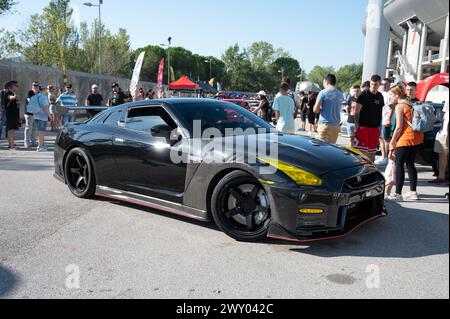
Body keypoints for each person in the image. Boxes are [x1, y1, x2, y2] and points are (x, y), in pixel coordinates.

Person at [387, 85, 424, 201]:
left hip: (406, 139)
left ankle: (398, 194)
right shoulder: (411, 103)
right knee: (410, 164)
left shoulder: (400, 106)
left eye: (391, 95)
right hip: (417, 137)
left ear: (397, 95)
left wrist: (392, 142)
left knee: (399, 165)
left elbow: (398, 128)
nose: (390, 98)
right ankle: (413, 192)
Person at [354, 75, 385, 162]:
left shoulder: (380, 96)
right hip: (363, 127)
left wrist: (379, 127)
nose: (373, 86)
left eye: (375, 84)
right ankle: (362, 172)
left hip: (374, 128)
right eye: (372, 84)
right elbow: (356, 111)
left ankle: (371, 172)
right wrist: (357, 125)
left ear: (379, 84)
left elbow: (380, 112)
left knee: (372, 154)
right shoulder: (364, 94)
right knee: (363, 154)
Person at [313, 74, 343, 144]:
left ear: (326, 82)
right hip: (335, 126)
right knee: (330, 151)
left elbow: (315, 110)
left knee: (319, 149)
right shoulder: (340, 94)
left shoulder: (323, 92)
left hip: (325, 125)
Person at [429, 100, 449, 184]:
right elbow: (444, 116)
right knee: (442, 156)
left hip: (446, 133)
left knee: (443, 156)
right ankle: (441, 176)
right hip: (443, 132)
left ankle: (442, 177)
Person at [376, 79, 394, 166]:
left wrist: (389, 119)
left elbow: (392, 107)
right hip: (379, 118)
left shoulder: (390, 94)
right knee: (380, 138)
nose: (384, 86)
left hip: (386, 119)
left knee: (385, 139)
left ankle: (387, 157)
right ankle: (383, 156)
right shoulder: (380, 94)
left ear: (389, 84)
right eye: (382, 84)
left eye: (386, 84)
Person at [3, 81, 20, 150]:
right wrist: (14, 96)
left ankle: (11, 144)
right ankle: (11, 145)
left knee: (12, 130)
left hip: (14, 115)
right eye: (16, 85)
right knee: (10, 130)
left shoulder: (12, 93)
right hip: (10, 115)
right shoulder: (8, 92)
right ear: (11, 86)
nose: (17, 87)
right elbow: (10, 97)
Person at [33, 85, 51, 152]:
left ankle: (41, 145)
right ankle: (40, 146)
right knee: (41, 132)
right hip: (42, 117)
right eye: (46, 89)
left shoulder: (37, 96)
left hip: (37, 116)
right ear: (44, 89)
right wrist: (50, 116)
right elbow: (45, 107)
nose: (47, 90)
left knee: (40, 131)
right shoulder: (43, 97)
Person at [24, 81, 40, 148]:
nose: (35, 87)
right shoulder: (30, 92)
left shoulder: (39, 93)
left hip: (36, 113)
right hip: (29, 113)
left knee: (34, 128)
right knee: (28, 128)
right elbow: (30, 101)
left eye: (37, 86)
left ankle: (33, 142)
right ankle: (27, 143)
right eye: (34, 85)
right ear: (32, 86)